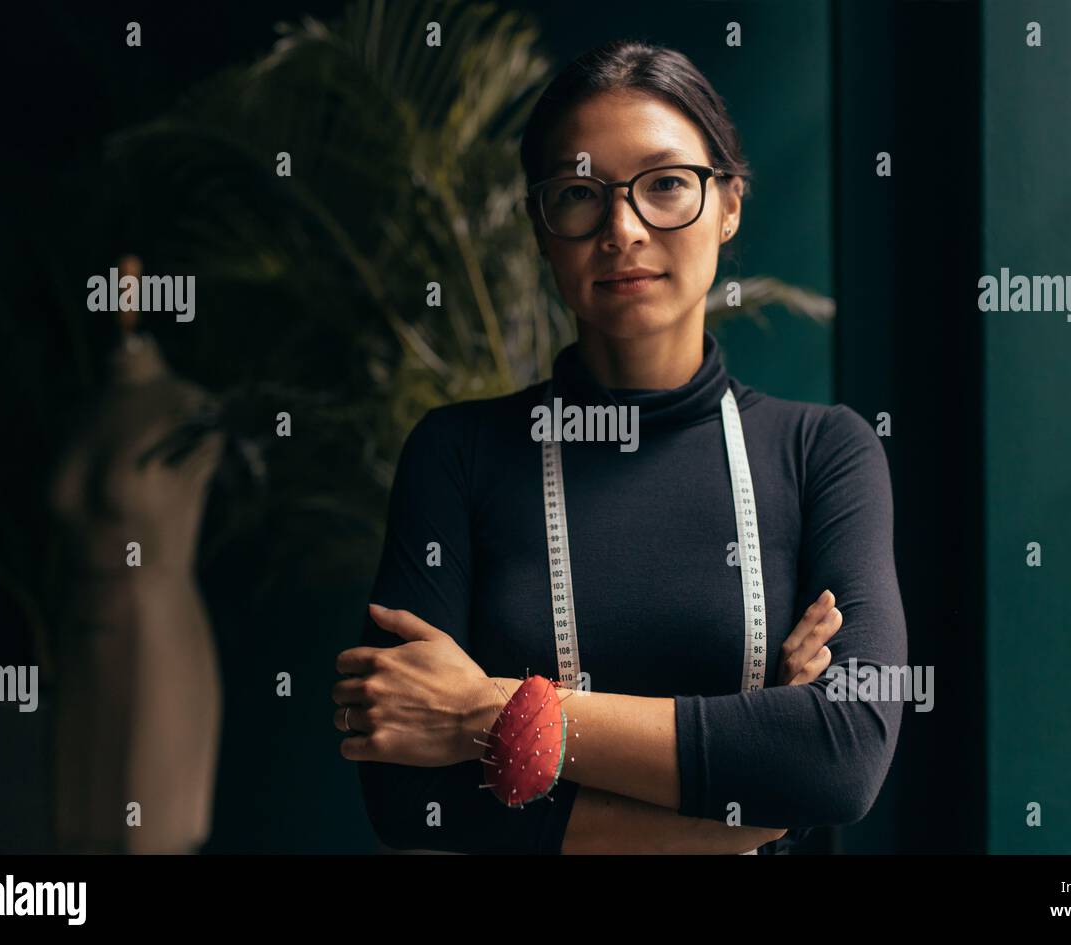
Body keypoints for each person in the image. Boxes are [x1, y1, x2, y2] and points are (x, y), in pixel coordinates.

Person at [332, 39, 907, 854]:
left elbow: (841, 755)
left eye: (666, 184)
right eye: (578, 194)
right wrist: (731, 805)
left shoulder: (824, 454)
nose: (623, 228)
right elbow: (404, 788)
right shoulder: (458, 454)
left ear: (730, 202)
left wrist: (483, 713)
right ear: (541, 227)